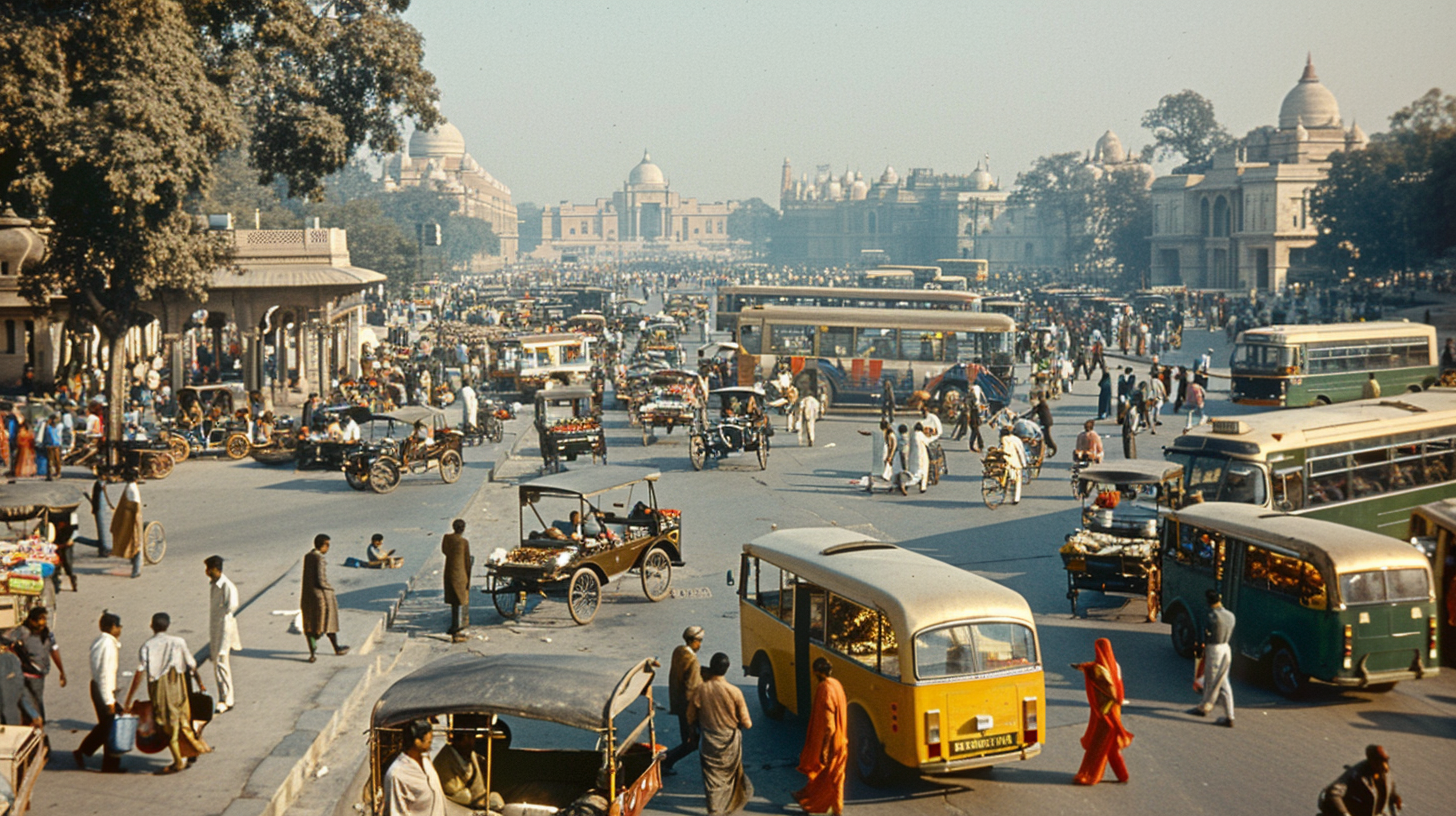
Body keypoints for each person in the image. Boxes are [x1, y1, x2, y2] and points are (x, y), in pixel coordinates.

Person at [123, 612, 211, 774]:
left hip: (160, 690)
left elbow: (139, 673)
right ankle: (191, 751)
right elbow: (191, 664)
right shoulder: (178, 642)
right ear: (168, 625)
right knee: (183, 720)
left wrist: (128, 699)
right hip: (178, 686)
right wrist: (200, 683)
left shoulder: (147, 646)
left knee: (167, 725)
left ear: (152, 626)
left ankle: (179, 761)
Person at [687, 652, 753, 815]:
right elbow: (747, 723)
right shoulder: (735, 691)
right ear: (727, 669)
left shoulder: (701, 689)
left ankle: (714, 808)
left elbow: (690, 716)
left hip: (709, 739)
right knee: (729, 776)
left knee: (711, 776)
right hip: (729, 741)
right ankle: (729, 805)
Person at [1071, 638, 1132, 785]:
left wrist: (1082, 667)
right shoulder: (1115, 666)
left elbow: (1095, 672)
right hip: (1115, 709)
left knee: (1099, 744)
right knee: (1111, 745)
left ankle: (1090, 774)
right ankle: (1122, 775)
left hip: (1105, 711)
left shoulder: (1099, 669)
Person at [793, 657, 847, 815]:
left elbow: (830, 726)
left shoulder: (824, 689)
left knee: (833, 778)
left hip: (832, 742)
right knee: (828, 775)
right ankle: (813, 798)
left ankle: (836, 809)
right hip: (841, 738)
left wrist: (824, 749)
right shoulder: (836, 684)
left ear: (817, 672)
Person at [75, 611, 125, 772]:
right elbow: (105, 674)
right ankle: (96, 758)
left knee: (106, 726)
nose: (120, 629)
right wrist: (109, 700)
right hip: (103, 689)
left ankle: (93, 755)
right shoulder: (108, 646)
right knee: (109, 727)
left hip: (98, 687)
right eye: (118, 626)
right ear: (113, 627)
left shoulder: (100, 641)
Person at [3, 606, 66, 724]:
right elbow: (5, 638)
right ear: (31, 620)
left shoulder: (47, 634)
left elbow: (54, 650)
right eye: (40, 619)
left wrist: (61, 671)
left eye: (44, 619)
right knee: (27, 700)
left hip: (40, 675)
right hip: (26, 674)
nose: (43, 622)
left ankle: (37, 721)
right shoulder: (22, 631)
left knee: (36, 700)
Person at [1188, 589, 1235, 727]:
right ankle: (1205, 707)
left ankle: (1220, 713)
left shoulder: (1211, 616)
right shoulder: (1230, 615)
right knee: (1223, 680)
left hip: (1215, 649)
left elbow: (1205, 636)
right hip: (1226, 647)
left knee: (1214, 682)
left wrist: (1199, 648)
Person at [663, 625, 705, 775]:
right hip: (688, 708)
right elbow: (691, 689)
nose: (700, 645)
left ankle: (665, 760)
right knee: (691, 743)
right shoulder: (692, 661)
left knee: (689, 740)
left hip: (678, 704)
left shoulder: (678, 651)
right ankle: (666, 761)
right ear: (693, 640)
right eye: (699, 641)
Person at [301, 534, 349, 662]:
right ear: (323, 545)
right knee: (329, 622)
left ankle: (312, 653)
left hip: (308, 596)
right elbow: (321, 580)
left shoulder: (308, 556)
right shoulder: (319, 559)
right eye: (327, 545)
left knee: (310, 624)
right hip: (321, 596)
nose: (328, 548)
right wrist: (330, 589)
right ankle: (337, 648)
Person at [1318, 744, 1402, 816]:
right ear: (1372, 761)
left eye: (1386, 761)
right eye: (1380, 762)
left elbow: (1389, 789)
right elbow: (1333, 793)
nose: (1385, 767)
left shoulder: (1383, 772)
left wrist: (1395, 797)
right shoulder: (1356, 774)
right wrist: (1345, 814)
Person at [384, 719, 445, 816]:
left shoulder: (426, 762)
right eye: (429, 742)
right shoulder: (397, 774)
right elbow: (397, 811)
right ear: (417, 742)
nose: (431, 745)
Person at [205, 555, 241, 713]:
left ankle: (227, 699)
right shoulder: (214, 585)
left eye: (209, 569)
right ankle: (223, 696)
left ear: (217, 569)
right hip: (216, 627)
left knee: (221, 660)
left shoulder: (227, 586)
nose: (207, 572)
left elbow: (231, 607)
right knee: (217, 662)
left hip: (224, 627)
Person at [433, 726, 501, 809]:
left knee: (496, 800)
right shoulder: (443, 759)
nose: (472, 742)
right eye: (469, 738)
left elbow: (479, 789)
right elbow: (451, 790)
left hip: (477, 801)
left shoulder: (472, 756)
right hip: (456, 806)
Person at [110, 468, 145, 579]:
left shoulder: (131, 489)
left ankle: (137, 568)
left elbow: (134, 508)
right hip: (131, 518)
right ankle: (136, 564)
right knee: (135, 543)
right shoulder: (132, 487)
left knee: (135, 543)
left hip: (132, 520)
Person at [441, 519, 471, 642]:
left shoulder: (447, 538)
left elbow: (445, 551)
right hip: (461, 574)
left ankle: (454, 626)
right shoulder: (464, 542)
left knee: (454, 601)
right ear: (463, 529)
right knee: (461, 599)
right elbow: (467, 560)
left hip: (449, 572)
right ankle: (457, 627)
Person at [999, 426, 1027, 504]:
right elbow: (1020, 452)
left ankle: (1004, 493)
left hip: (1005, 462)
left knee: (1007, 477)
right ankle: (1016, 499)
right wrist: (1024, 463)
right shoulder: (1016, 440)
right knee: (1018, 480)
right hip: (1015, 462)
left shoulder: (1003, 439)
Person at [41, 414, 62, 480]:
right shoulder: (49, 427)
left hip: (55, 445)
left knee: (56, 460)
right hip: (51, 445)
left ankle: (57, 472)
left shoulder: (56, 427)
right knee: (51, 460)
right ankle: (50, 474)